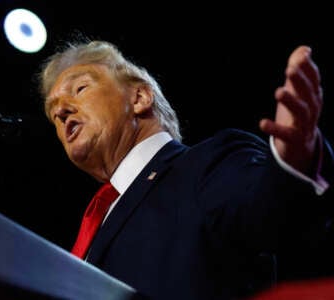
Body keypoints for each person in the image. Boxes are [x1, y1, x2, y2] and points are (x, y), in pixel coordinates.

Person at [37, 39, 334, 300]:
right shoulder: (94, 220)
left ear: (140, 98)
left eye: (80, 88)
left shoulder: (205, 164)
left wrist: (294, 162)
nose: (62, 111)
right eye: (53, 113)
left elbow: (272, 213)